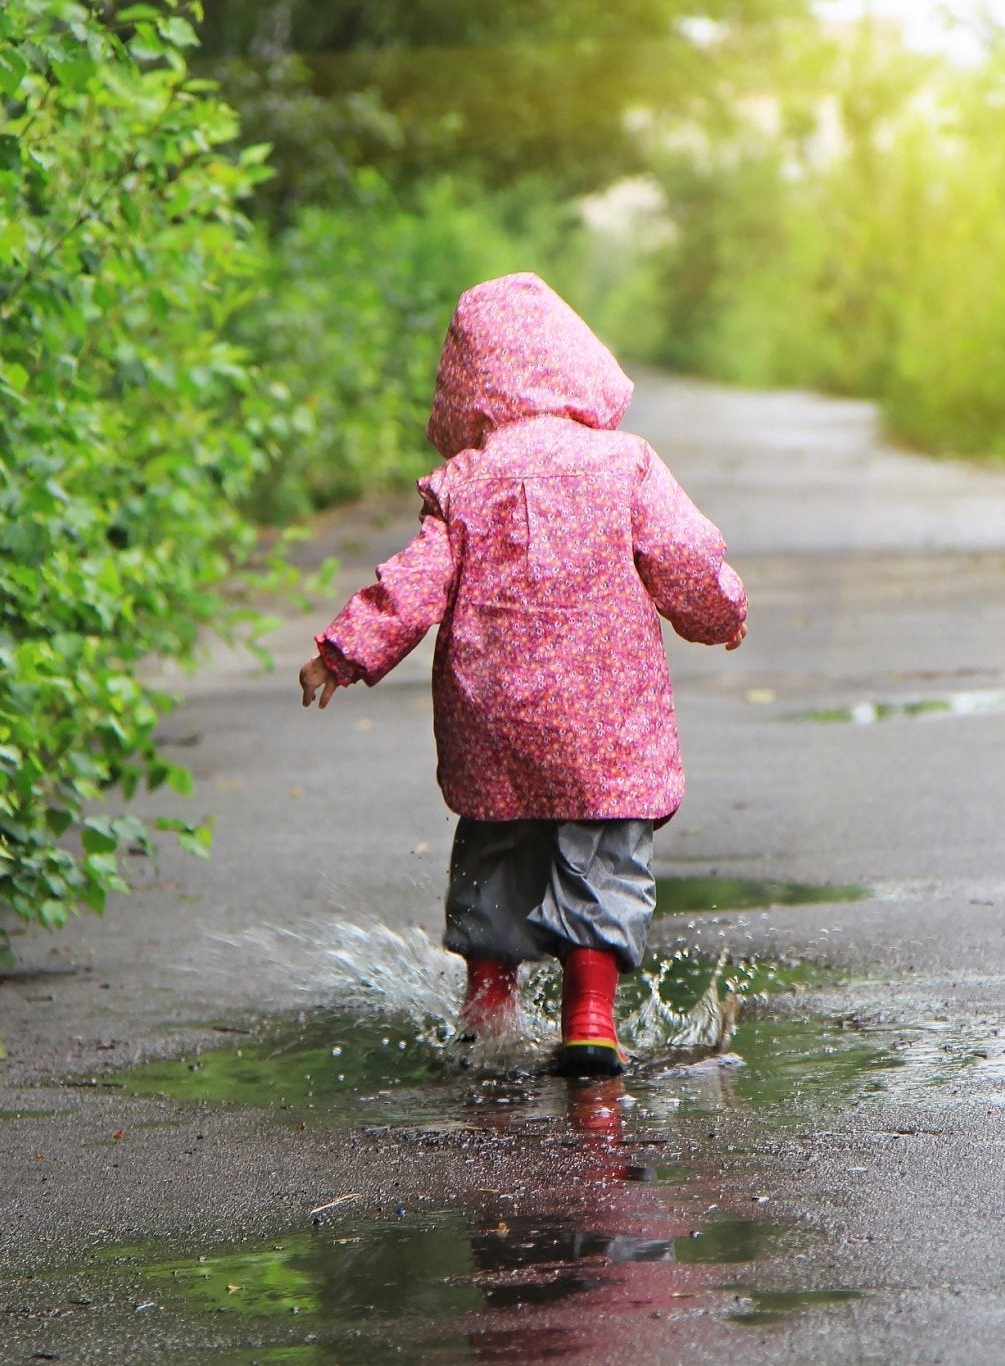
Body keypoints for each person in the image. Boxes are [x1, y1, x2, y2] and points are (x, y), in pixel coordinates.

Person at [297, 273, 747, 1077]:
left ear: (468, 384)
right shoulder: (626, 464)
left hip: (495, 714)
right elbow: (685, 558)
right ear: (581, 363)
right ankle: (590, 1015)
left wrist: (345, 650)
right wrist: (719, 612)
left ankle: (488, 1007)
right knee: (604, 845)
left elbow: (414, 583)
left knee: (495, 843)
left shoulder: (465, 482)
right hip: (604, 717)